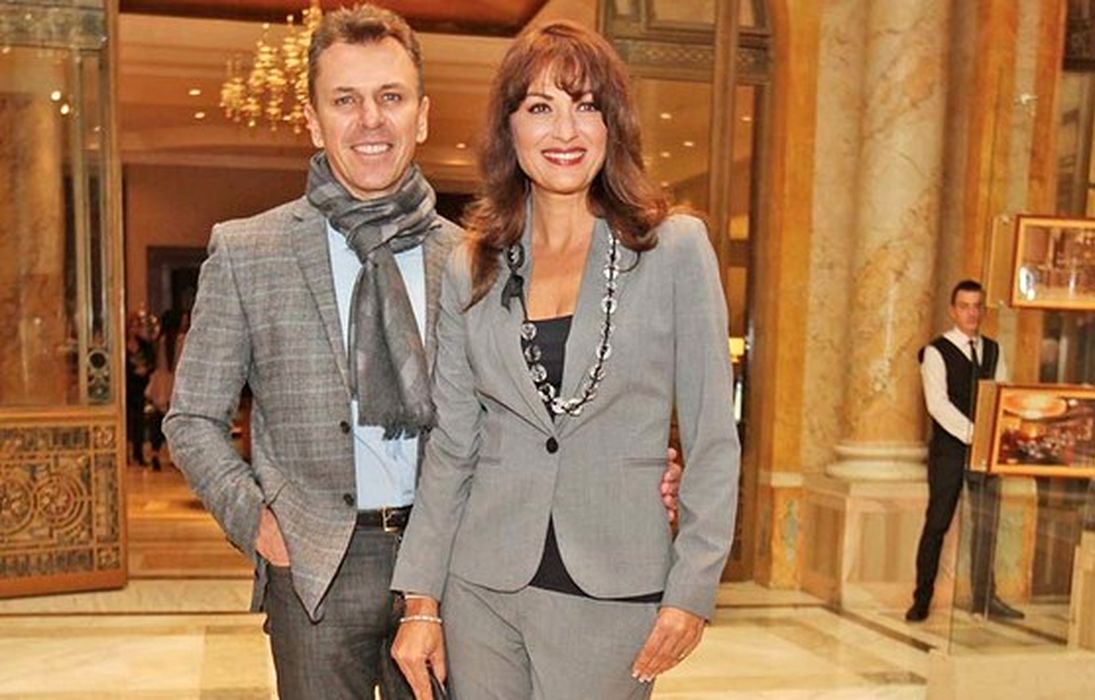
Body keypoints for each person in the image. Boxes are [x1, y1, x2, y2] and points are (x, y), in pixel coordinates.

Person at [164, 7, 680, 699]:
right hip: (316, 567)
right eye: (345, 100)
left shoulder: (475, 258)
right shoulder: (248, 251)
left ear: (423, 115)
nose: (370, 120)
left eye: (391, 97)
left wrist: (633, 465)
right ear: (313, 120)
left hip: (455, 559)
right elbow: (191, 418)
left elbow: (530, 409)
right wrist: (260, 523)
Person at [390, 20, 740, 700]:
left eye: (586, 106)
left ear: (613, 125)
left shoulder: (673, 250)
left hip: (616, 591)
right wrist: (422, 600)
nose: (565, 131)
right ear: (509, 128)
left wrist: (693, 587)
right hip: (481, 586)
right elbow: (454, 446)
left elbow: (711, 437)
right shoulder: (473, 265)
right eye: (539, 108)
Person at [905, 279, 1024, 623]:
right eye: (964, 306)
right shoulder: (935, 352)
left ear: (983, 311)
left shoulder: (994, 351)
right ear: (953, 311)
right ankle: (922, 598)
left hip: (986, 451)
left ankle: (984, 599)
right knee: (937, 523)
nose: (971, 313)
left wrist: (994, 437)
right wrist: (975, 434)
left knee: (986, 525)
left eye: (977, 306)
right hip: (949, 451)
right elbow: (937, 405)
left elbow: (1001, 396)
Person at [146, 308, 187, 471]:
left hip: (160, 382)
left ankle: (155, 452)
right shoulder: (182, 340)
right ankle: (174, 455)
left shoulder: (160, 340)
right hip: (175, 382)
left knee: (157, 419)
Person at [125, 311, 155, 466]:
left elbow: (152, 361)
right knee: (126, 420)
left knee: (139, 420)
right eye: (132, 326)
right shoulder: (121, 344)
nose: (135, 329)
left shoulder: (144, 344)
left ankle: (138, 453)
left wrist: (145, 369)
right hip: (126, 386)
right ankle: (125, 453)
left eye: (137, 326)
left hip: (140, 386)